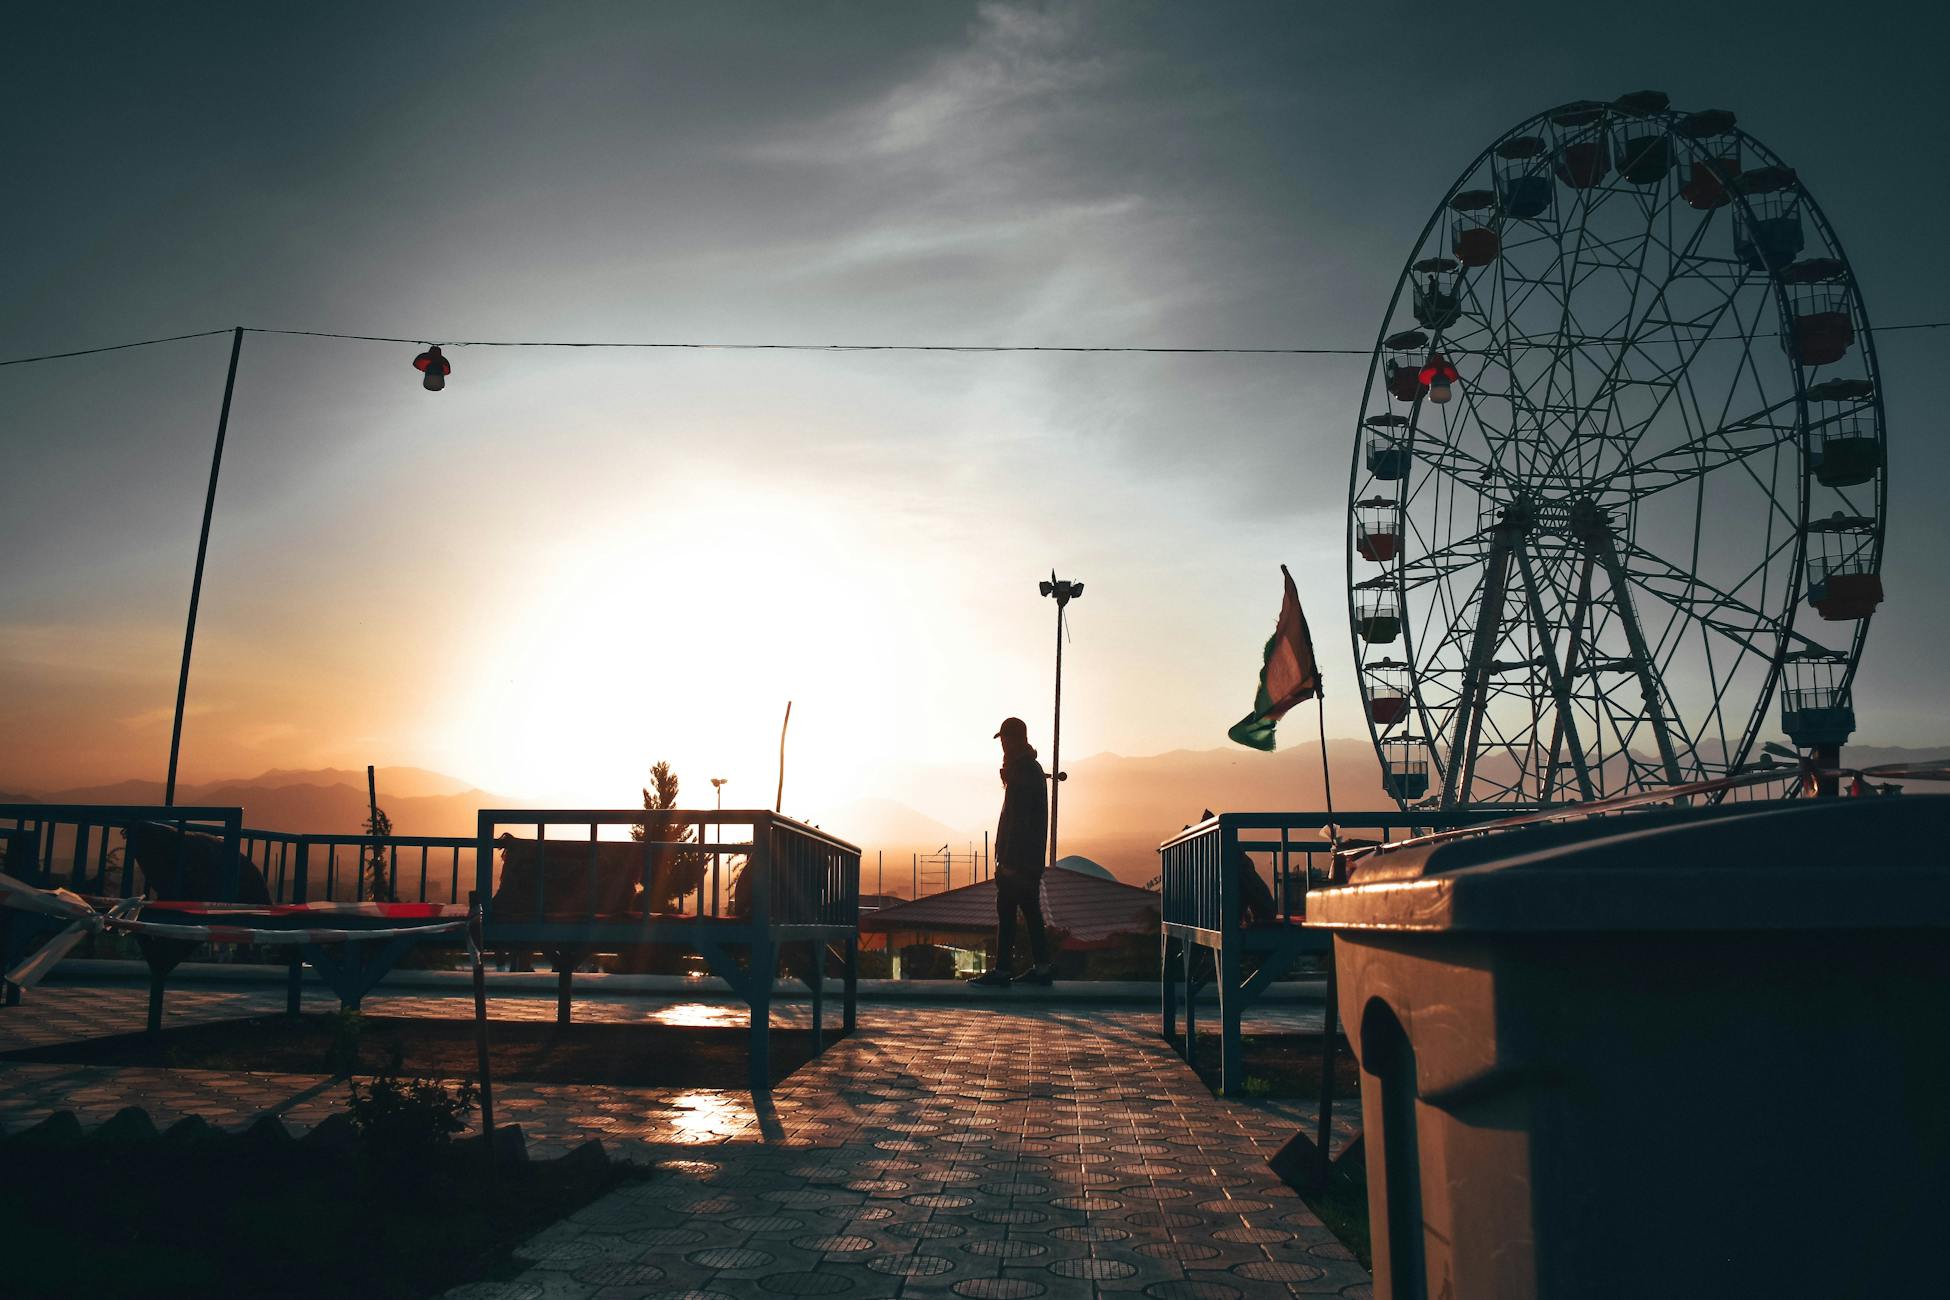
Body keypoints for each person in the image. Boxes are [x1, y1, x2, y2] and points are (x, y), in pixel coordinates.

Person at [968, 716, 1052, 988]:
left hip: (1018, 861)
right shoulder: (1027, 769)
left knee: (1007, 911)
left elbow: (1019, 820)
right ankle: (1041, 969)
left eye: (1005, 739)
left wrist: (1008, 861)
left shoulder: (1023, 772)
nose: (1002, 745)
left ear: (1014, 739)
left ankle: (1004, 970)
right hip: (1028, 859)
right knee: (1029, 911)